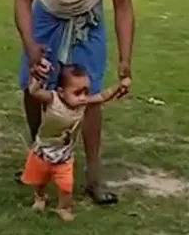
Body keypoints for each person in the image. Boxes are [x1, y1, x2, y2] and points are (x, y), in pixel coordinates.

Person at [14, 0, 135, 205]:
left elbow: (123, 5)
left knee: (90, 93)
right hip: (46, 15)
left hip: (88, 19)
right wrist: (30, 43)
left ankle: (94, 178)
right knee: (34, 85)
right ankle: (39, 154)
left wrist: (125, 60)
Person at [22, 65, 127, 220]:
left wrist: (119, 87)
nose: (83, 97)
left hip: (64, 155)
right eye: (77, 93)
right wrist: (37, 79)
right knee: (40, 180)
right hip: (43, 150)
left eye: (86, 92)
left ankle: (63, 208)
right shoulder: (53, 99)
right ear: (61, 92)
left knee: (66, 185)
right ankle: (40, 197)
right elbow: (34, 92)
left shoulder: (82, 103)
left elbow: (102, 96)